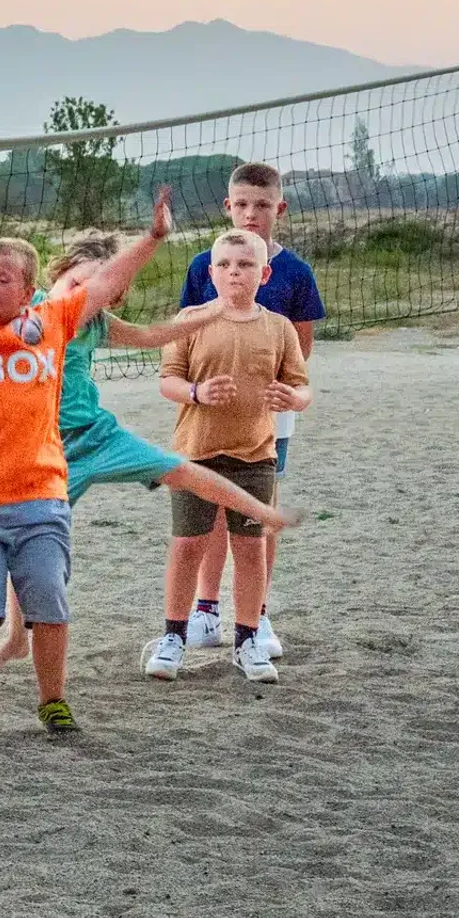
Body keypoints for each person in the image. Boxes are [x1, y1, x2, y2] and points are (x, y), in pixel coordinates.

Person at [0, 233, 300, 667]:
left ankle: (263, 515)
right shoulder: (26, 306)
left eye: (101, 292)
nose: (86, 297)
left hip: (95, 435)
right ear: (61, 274)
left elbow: (152, 335)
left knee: (176, 468)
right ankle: (18, 634)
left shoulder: (94, 321)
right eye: (79, 285)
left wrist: (205, 314)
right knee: (27, 538)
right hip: (42, 446)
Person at [0, 193, 174, 739]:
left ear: (26, 288)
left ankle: (53, 701)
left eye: (0, 279)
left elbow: (103, 286)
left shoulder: (51, 323)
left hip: (40, 498)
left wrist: (152, 239)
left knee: (48, 601)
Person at [146, 229, 311, 684]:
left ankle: (247, 639)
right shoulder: (191, 319)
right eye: (224, 265)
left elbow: (303, 386)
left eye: (244, 265)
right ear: (210, 272)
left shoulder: (278, 327)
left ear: (265, 272)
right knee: (187, 546)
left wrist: (292, 399)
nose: (234, 272)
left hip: (256, 454)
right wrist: (197, 392)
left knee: (251, 549)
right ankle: (174, 637)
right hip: (194, 453)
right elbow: (167, 381)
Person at [176, 162, 324, 659]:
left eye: (261, 205)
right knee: (210, 510)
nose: (250, 214)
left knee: (255, 512)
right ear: (227, 207)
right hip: (209, 413)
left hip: (267, 415)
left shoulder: (296, 273)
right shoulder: (205, 265)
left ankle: (256, 616)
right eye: (240, 204)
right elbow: (188, 336)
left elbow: (299, 354)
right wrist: (196, 391)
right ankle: (205, 608)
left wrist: (281, 393)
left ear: (278, 208)